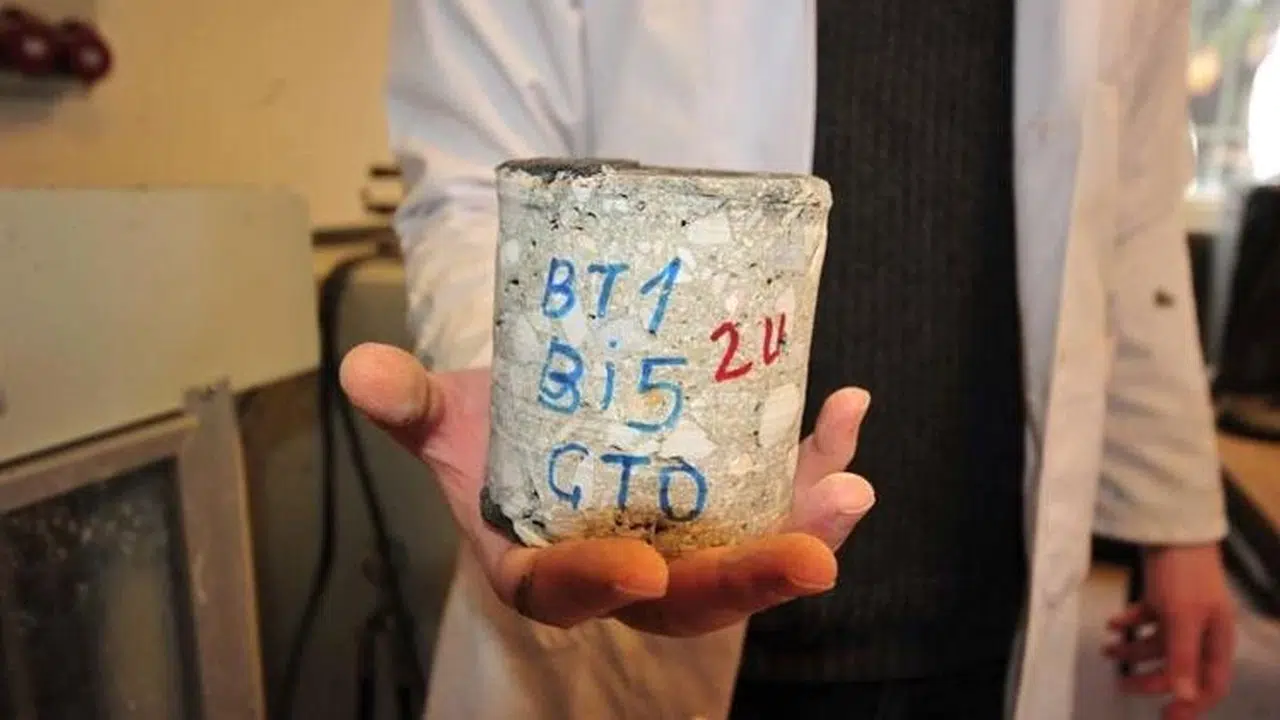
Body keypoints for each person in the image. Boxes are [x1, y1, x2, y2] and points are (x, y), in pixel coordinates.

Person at [340, 1, 1238, 718]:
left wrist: (1177, 515)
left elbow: (1133, 211)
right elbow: (474, 181)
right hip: (627, 577)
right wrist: (521, 431)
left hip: (983, 595)